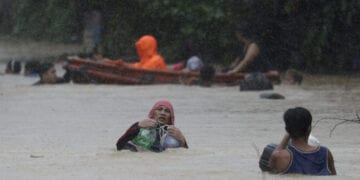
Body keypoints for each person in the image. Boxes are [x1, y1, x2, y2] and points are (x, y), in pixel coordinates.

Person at [269, 107, 336, 175]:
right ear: (309, 128)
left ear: (287, 130)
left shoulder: (280, 156)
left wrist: (287, 135)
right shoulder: (325, 153)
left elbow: (271, 165)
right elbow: (334, 176)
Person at [116, 100, 188, 152]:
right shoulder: (141, 128)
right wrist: (137, 126)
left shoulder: (174, 135)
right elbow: (119, 145)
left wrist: (183, 141)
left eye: (167, 111)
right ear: (152, 114)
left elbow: (185, 157)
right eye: (159, 109)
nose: (163, 113)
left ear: (170, 118)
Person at [100, 35, 167, 70]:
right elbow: (135, 66)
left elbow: (142, 71)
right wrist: (113, 62)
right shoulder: (145, 61)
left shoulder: (156, 59)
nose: (139, 51)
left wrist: (124, 66)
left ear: (147, 47)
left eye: (141, 48)